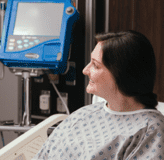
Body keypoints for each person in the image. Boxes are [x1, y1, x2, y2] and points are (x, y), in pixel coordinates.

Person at [34, 30, 164, 159]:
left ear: (121, 73)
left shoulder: (150, 131)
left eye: (95, 65)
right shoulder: (82, 115)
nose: (85, 70)